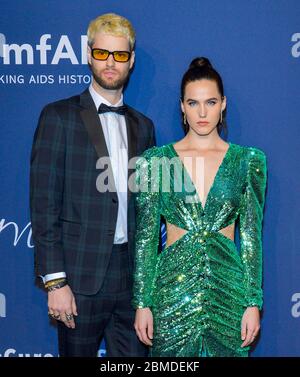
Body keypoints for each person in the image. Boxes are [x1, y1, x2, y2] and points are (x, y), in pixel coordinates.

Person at [30, 13, 155, 357]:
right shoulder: (58, 116)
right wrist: (55, 281)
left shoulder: (144, 127)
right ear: (89, 54)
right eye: (102, 53)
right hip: (78, 278)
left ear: (130, 60)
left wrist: (147, 287)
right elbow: (44, 204)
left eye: (119, 55)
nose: (110, 63)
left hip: (130, 281)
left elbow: (146, 210)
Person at [132, 57, 267, 357]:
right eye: (193, 103)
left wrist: (252, 302)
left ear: (223, 104)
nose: (202, 112)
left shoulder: (248, 162)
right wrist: (142, 302)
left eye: (211, 102)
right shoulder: (156, 162)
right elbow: (146, 236)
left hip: (228, 293)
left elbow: (251, 238)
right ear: (182, 106)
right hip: (171, 294)